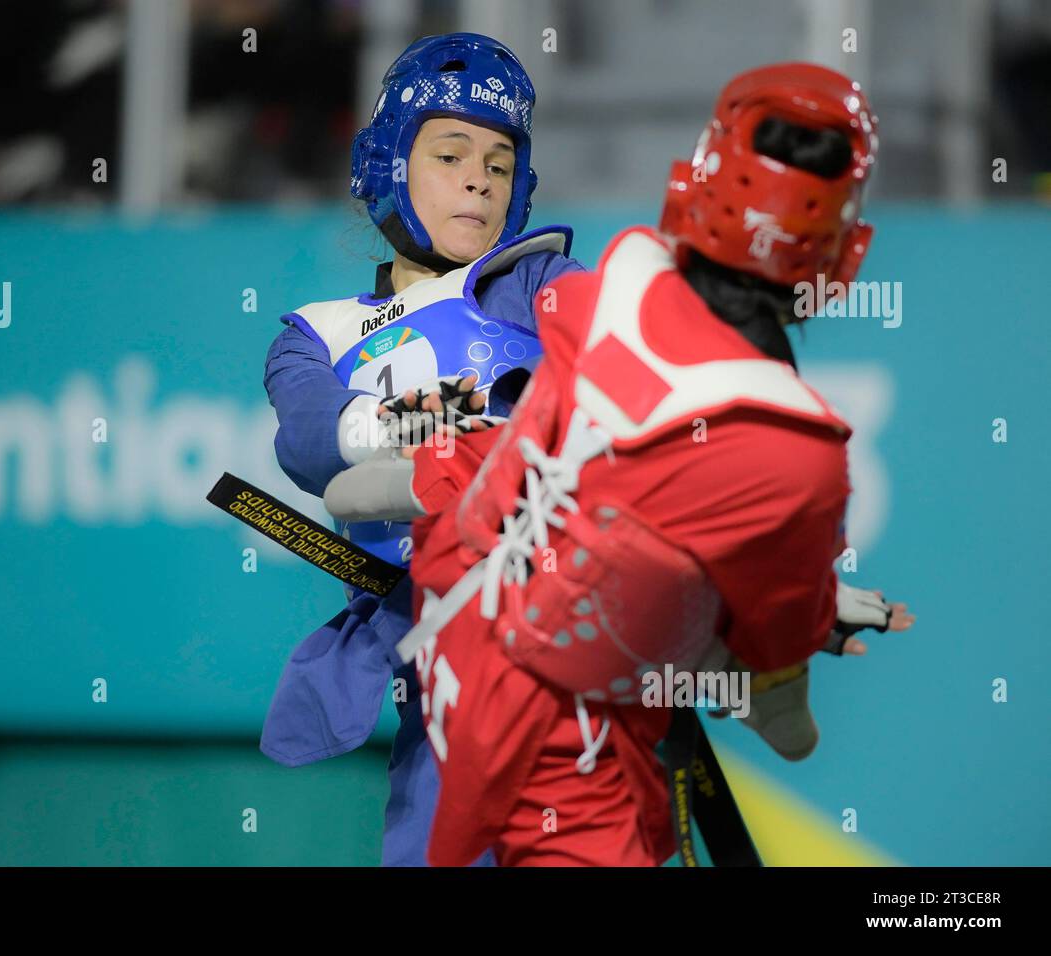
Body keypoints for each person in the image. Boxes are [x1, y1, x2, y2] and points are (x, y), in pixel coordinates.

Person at [331, 62, 913, 866]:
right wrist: (785, 623)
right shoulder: (804, 460)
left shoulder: (614, 281)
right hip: (570, 767)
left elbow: (582, 449)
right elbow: (784, 708)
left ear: (695, 183)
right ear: (843, 253)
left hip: (460, 625)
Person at [258, 33, 585, 866]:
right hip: (439, 654)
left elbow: (632, 346)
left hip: (568, 631)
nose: (480, 176)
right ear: (388, 166)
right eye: (450, 153)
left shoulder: (538, 282)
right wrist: (418, 422)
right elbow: (308, 438)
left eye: (499, 163)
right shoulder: (315, 333)